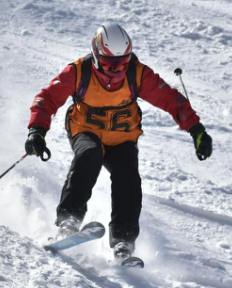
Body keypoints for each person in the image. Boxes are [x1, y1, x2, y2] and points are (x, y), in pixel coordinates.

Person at [24, 23, 213, 259]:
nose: (116, 70)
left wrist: (197, 130)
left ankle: (123, 240)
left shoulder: (137, 73)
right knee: (89, 155)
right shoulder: (79, 72)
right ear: (96, 55)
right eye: (109, 64)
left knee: (128, 177)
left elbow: (171, 99)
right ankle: (68, 221)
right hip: (86, 130)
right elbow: (47, 98)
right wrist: (37, 130)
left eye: (122, 62)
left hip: (122, 137)